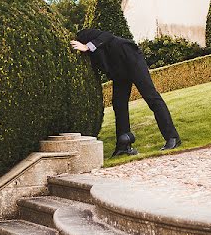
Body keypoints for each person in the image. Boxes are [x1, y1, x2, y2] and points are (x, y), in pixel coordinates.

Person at [72, 28, 180, 156]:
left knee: (151, 97)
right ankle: (123, 146)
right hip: (117, 71)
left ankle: (172, 138)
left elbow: (107, 35)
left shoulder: (84, 34)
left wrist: (87, 46)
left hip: (130, 58)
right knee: (118, 104)